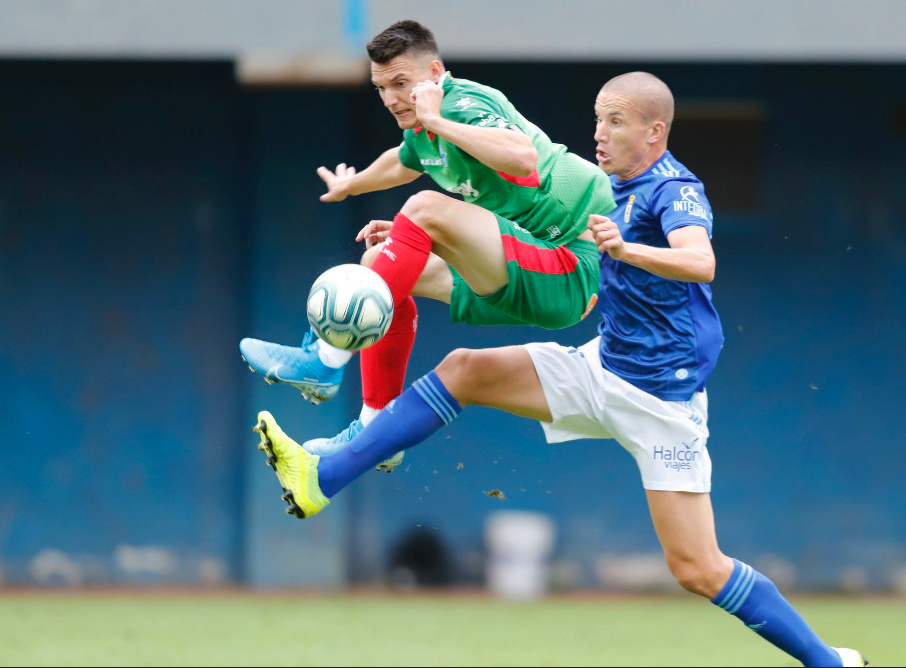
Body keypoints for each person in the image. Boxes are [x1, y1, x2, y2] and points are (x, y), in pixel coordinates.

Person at [253, 71, 867, 668]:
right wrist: (423, 237)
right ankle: (321, 478)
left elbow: (700, 261)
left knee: (698, 569)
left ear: (655, 132)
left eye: (616, 121)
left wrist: (627, 250)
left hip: (662, 403)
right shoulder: (608, 186)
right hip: (599, 368)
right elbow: (507, 210)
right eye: (597, 117)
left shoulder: (673, 189)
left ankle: (826, 661)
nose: (599, 132)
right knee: (463, 368)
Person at [240, 20, 612, 471]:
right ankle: (379, 428)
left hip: (566, 269)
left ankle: (324, 358)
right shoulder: (423, 128)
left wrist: (434, 124)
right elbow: (403, 160)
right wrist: (352, 184)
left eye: (401, 83)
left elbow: (523, 159)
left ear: (434, 72)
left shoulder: (463, 103)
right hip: (525, 265)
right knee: (380, 260)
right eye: (381, 88)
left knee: (424, 208)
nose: (392, 99)